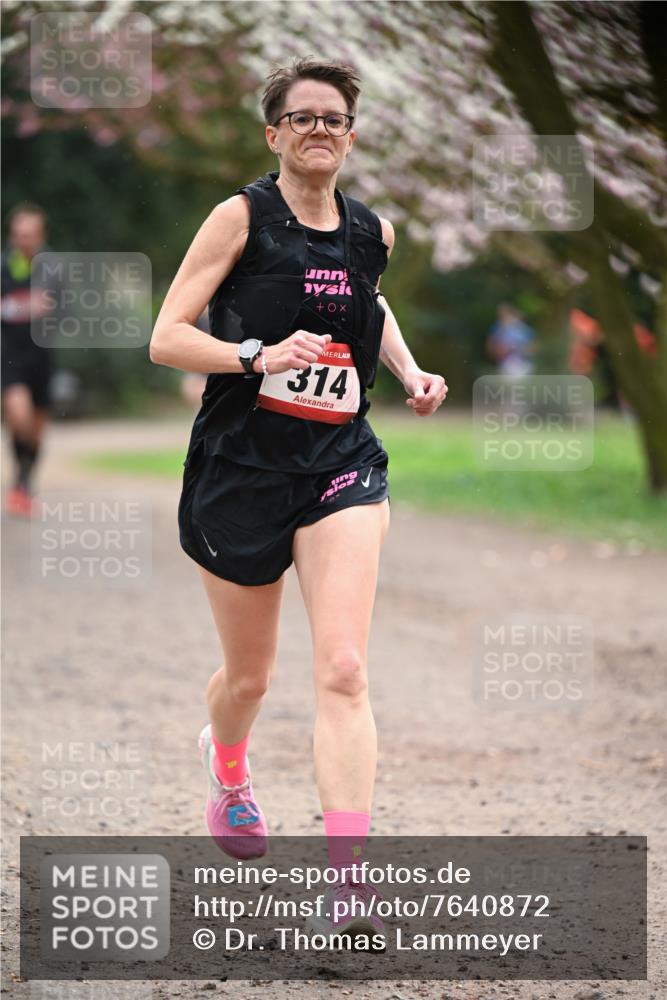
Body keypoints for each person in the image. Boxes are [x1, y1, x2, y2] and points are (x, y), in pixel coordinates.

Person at [150, 57, 448, 939]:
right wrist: (255, 356)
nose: (318, 129)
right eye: (301, 117)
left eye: (333, 119)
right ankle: (230, 767)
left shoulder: (372, 231)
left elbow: (370, 304)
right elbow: (166, 338)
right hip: (241, 467)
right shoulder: (239, 217)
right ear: (273, 133)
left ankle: (347, 884)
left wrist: (406, 368)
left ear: (351, 138)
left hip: (339, 462)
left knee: (344, 669)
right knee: (249, 677)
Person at [1, 203, 54, 516]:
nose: (24, 240)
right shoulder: (3, 267)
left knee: (36, 431)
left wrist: (49, 310)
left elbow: (68, 313)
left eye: (31, 235)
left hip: (42, 358)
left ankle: (23, 483)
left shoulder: (53, 270)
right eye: (20, 234)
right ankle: (20, 486)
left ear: (41, 236)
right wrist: (17, 307)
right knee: (19, 416)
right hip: (9, 357)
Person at [486, 302, 536, 379]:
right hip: (504, 363)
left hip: (521, 363)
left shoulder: (521, 328)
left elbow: (532, 346)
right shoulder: (497, 328)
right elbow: (491, 346)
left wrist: (520, 349)